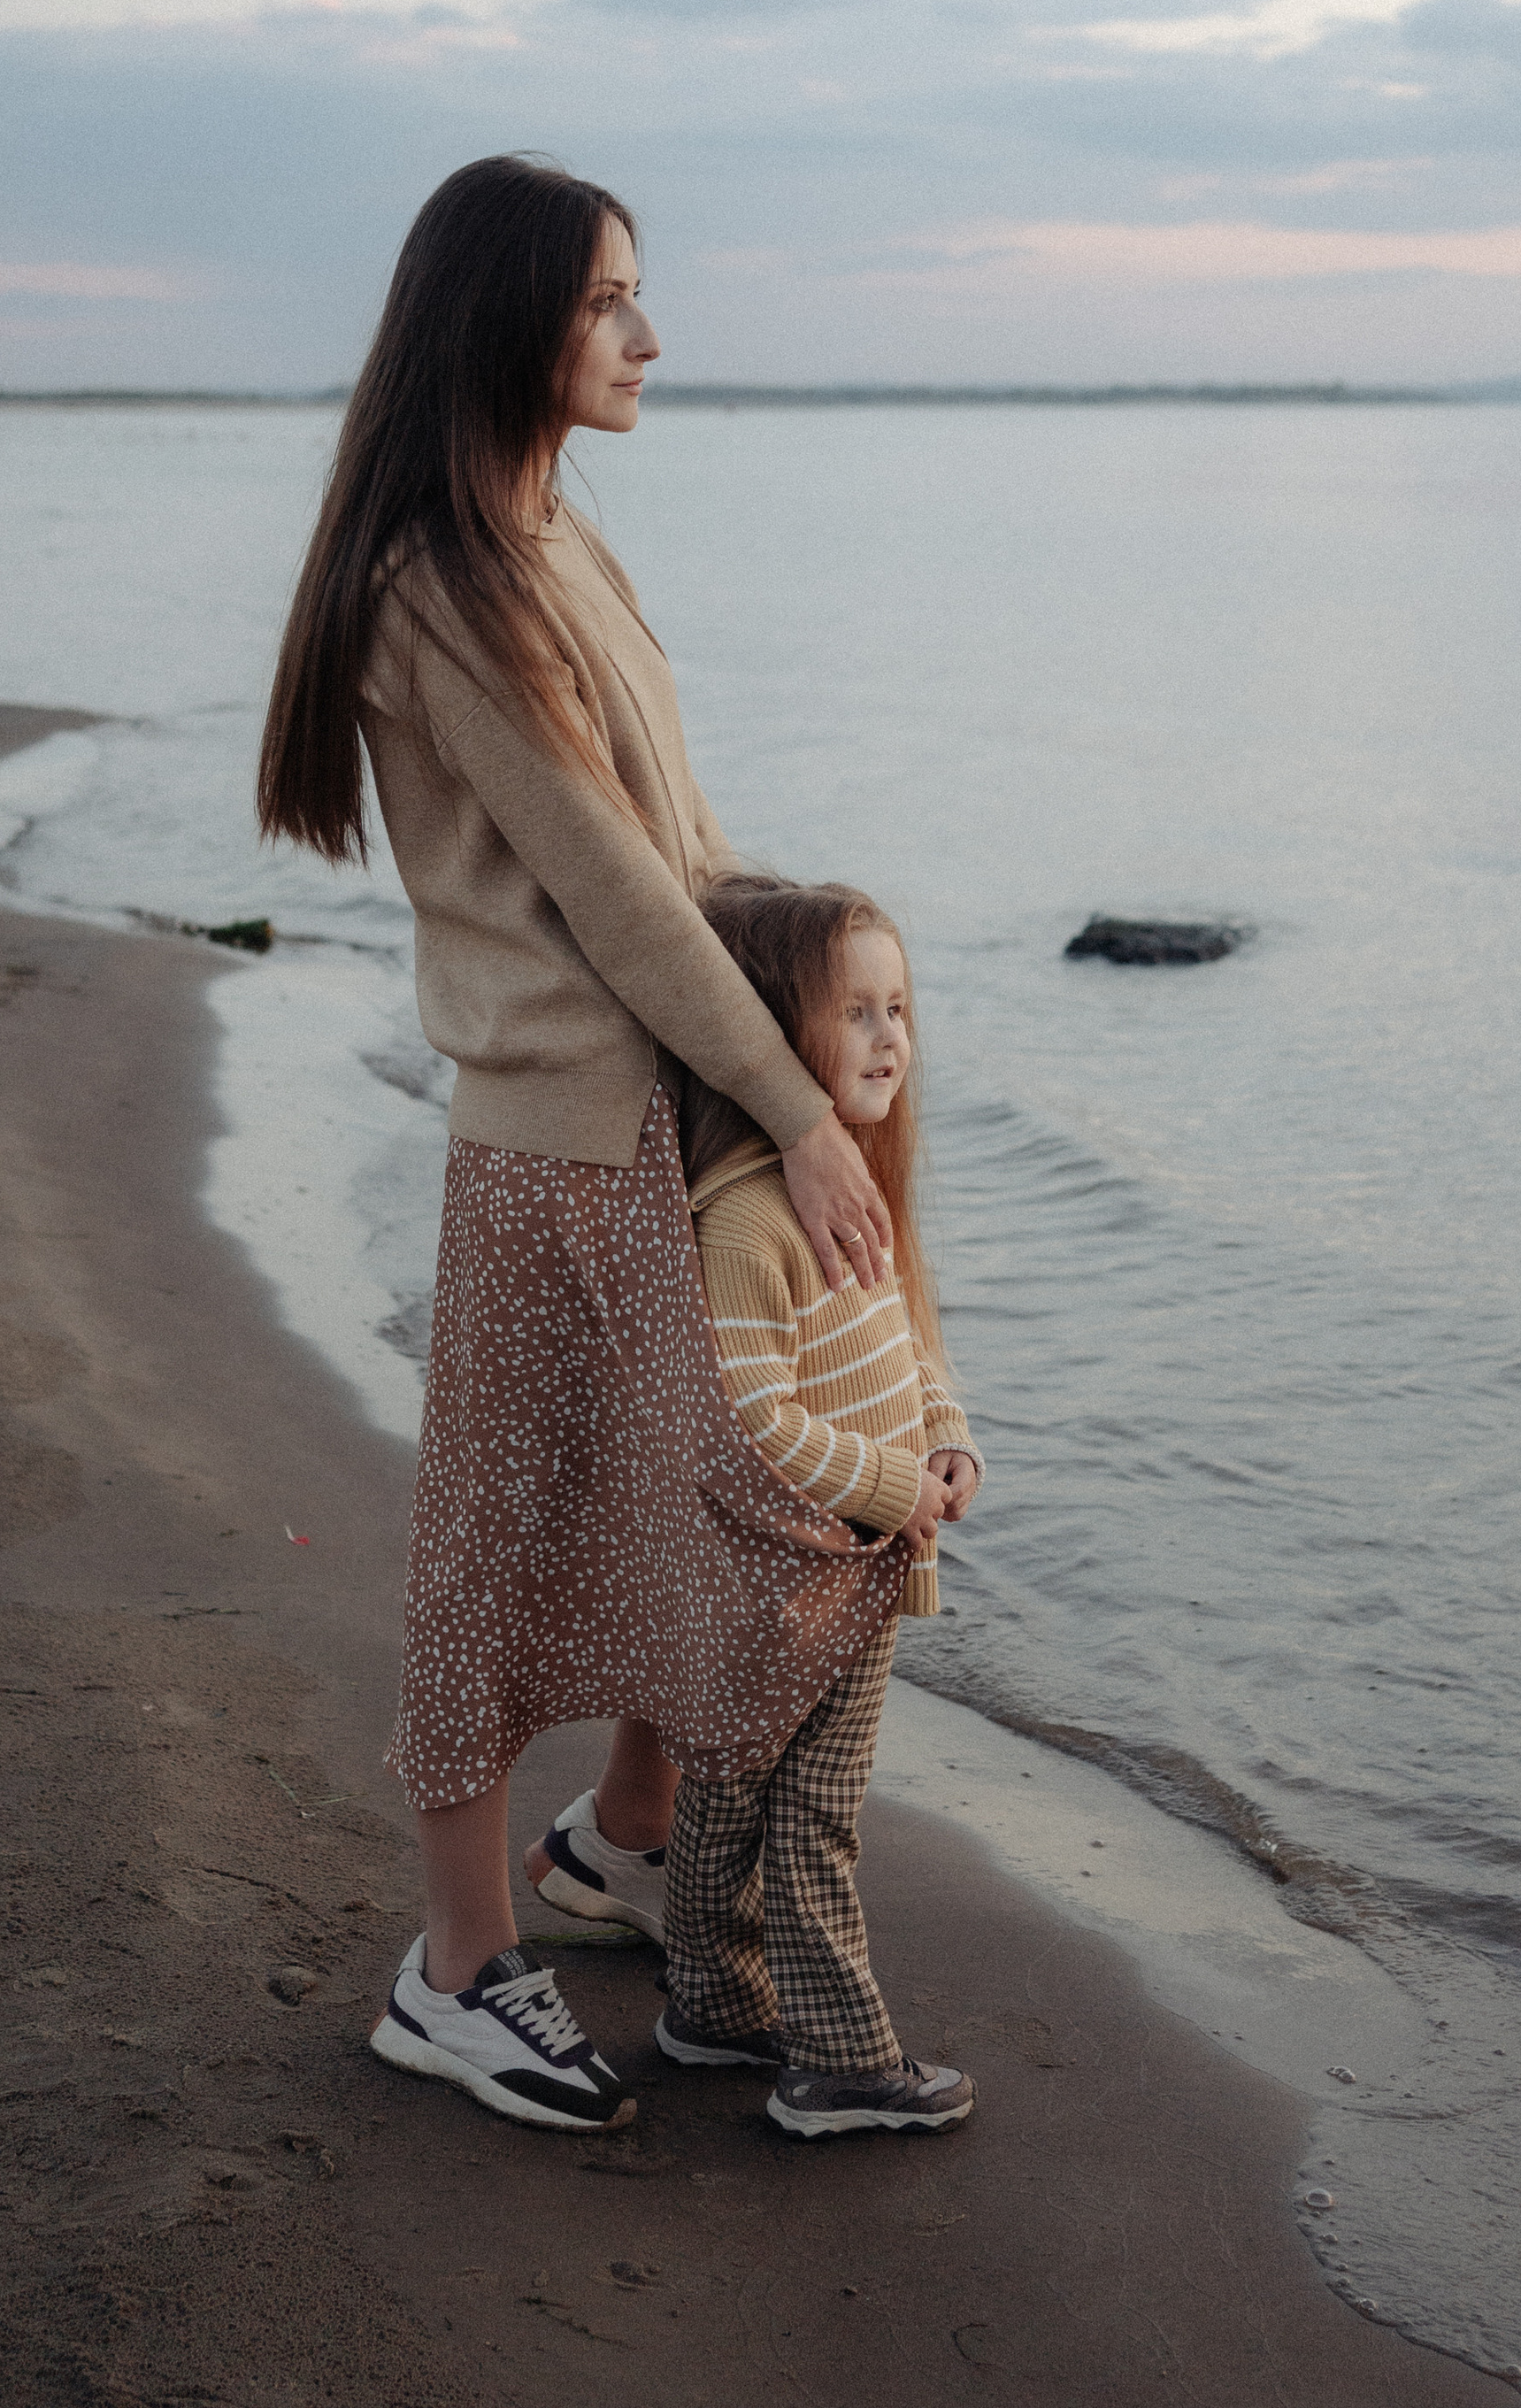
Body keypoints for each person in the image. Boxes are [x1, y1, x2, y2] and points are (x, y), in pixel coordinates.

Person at [256, 154, 906, 2133]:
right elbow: (614, 896)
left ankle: (624, 1840)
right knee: (514, 1547)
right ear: (510, 316)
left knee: (719, 1509)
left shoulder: (560, 548)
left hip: (665, 1112)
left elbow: (683, 860)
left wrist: (804, 1016)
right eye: (612, 297)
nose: (646, 334)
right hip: (555, 1141)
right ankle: (457, 1969)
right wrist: (799, 1111)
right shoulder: (435, 583)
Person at [631, 873, 984, 2137]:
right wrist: (897, 1488)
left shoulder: (851, 1189)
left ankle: (714, 2005)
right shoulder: (749, 1221)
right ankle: (836, 2060)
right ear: (776, 1038)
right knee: (808, 1807)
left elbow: (905, 1339)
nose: (893, 1038)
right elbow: (752, 1417)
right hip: (804, 1568)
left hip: (855, 1555)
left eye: (902, 1009)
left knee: (735, 1782)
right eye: (859, 1013)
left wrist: (945, 1436)